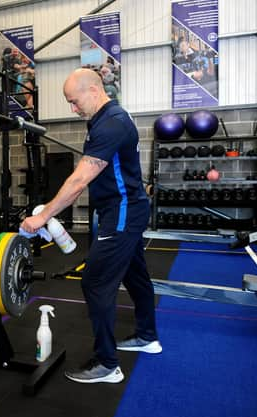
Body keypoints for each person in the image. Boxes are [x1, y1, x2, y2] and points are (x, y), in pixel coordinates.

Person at [20, 68, 162, 384]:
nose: (72, 108)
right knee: (135, 273)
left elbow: (80, 179)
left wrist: (42, 217)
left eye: (74, 101)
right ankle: (147, 337)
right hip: (126, 209)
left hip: (122, 212)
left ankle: (108, 364)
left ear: (94, 90)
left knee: (95, 282)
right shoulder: (104, 119)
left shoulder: (111, 123)